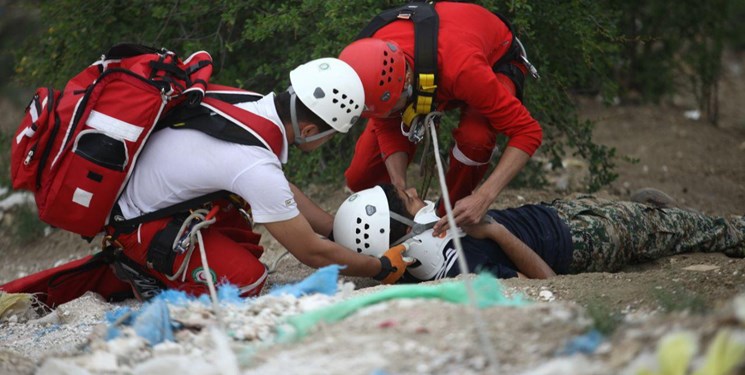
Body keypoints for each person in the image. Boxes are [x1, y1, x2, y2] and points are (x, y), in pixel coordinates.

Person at [1, 58, 410, 306]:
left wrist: (334, 225)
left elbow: (282, 193)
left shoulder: (250, 104)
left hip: (146, 200)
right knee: (247, 279)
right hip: (137, 223)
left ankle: (153, 262)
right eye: (328, 136)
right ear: (307, 127)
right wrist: (378, 267)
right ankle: (140, 270)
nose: (324, 143)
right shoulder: (254, 163)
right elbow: (310, 254)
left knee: (245, 240)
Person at [338, 2, 543, 234]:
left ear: (406, 81)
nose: (390, 115)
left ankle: (446, 218)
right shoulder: (368, 62)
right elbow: (385, 121)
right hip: (435, 66)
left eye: (393, 107)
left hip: (493, 59)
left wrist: (484, 196)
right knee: (361, 180)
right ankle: (397, 226)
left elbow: (528, 132)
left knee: (475, 139)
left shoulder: (463, 70)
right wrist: (398, 187)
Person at [333, 185, 745, 282]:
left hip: (555, 214)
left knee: (645, 215)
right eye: (401, 202)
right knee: (709, 230)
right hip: (582, 240)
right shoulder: (457, 266)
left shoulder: (415, 253)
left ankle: (652, 218)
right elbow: (545, 282)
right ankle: (663, 225)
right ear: (395, 229)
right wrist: (493, 231)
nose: (410, 195)